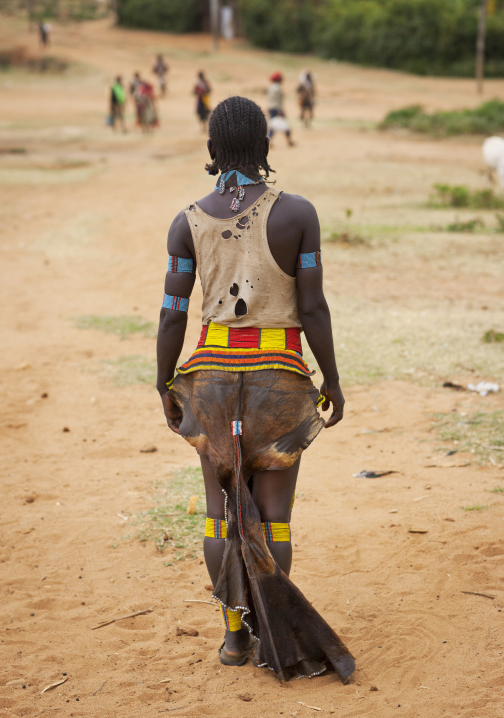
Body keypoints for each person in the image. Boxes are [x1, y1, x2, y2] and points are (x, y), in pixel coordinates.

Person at [156, 96, 355, 684]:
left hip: (212, 381)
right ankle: (275, 634)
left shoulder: (186, 221)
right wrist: (333, 381)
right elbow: (313, 306)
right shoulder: (298, 215)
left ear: (213, 150)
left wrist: (164, 383)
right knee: (273, 514)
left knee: (221, 514)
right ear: (265, 147)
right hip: (279, 380)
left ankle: (234, 638)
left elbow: (172, 315)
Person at [267, 72, 294, 146]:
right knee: (286, 125)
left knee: (272, 126)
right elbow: (278, 101)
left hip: (271, 108)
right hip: (278, 109)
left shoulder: (271, 87)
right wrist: (281, 111)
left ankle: (269, 141)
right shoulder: (279, 88)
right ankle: (289, 141)